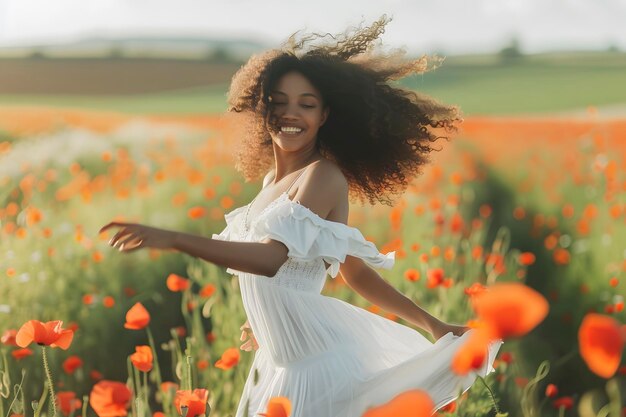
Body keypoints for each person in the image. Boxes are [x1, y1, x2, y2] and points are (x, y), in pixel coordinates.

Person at [100, 15, 501, 417]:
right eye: (278, 103)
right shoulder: (271, 181)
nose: (290, 114)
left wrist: (175, 238)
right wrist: (266, 317)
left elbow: (273, 259)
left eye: (306, 105)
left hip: (315, 369)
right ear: (262, 110)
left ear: (324, 115)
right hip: (280, 363)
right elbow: (353, 272)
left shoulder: (322, 175)